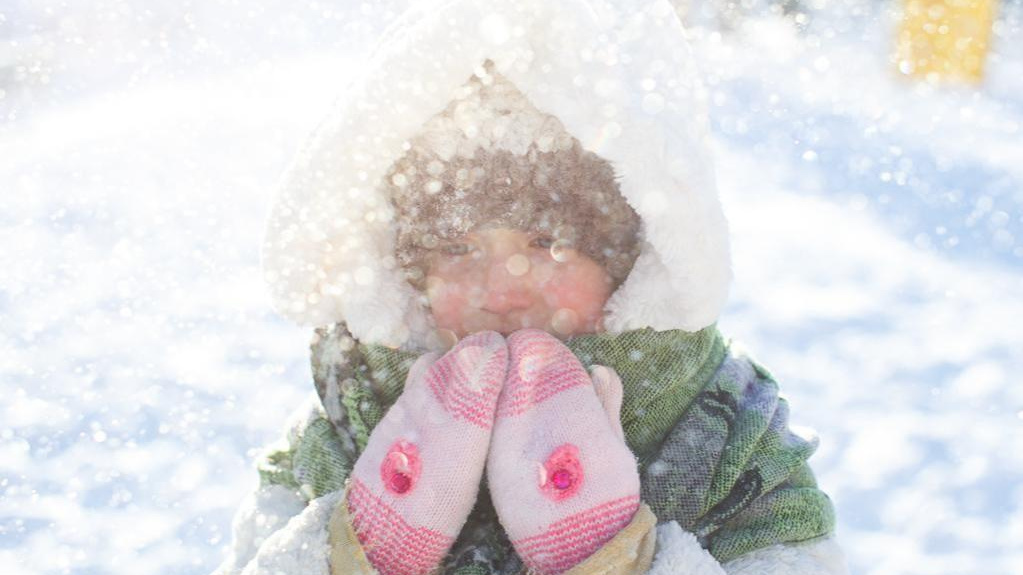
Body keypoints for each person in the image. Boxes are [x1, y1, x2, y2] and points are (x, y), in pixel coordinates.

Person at [214, 1, 850, 574]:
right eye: (456, 249)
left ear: (629, 264)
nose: (503, 291)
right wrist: (356, 553)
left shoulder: (723, 438)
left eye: (549, 244)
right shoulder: (346, 422)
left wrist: (610, 558)